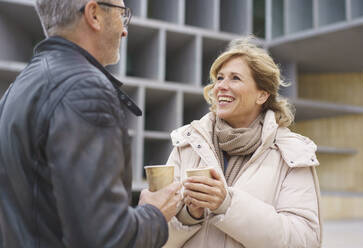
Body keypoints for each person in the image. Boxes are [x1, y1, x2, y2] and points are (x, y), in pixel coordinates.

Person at [0, 0, 182, 247]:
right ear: (94, 14)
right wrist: (155, 214)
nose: (125, 29)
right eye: (122, 15)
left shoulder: (18, 88)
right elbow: (105, 238)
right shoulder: (85, 88)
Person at [163, 38, 322, 248]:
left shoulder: (293, 153)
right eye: (219, 78)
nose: (221, 86)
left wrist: (227, 204)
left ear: (262, 95)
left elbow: (303, 241)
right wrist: (189, 215)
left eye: (235, 78)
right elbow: (155, 234)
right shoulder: (186, 144)